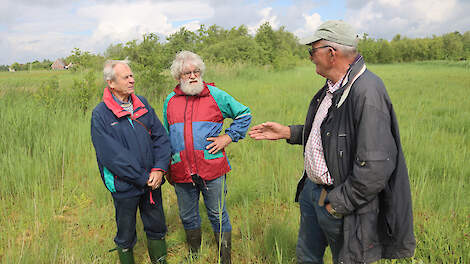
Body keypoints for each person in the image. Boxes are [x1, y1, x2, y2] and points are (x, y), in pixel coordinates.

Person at [249, 20, 415, 264]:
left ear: (331, 53)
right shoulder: (333, 88)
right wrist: (288, 132)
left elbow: (376, 166)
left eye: (312, 51)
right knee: (307, 257)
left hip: (338, 204)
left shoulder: (366, 91)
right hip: (312, 193)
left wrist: (337, 203)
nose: (310, 57)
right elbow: (329, 134)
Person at [163, 50, 251, 264]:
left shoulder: (216, 95)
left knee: (217, 214)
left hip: (211, 168)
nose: (193, 76)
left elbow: (244, 114)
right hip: (181, 169)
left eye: (196, 71)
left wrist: (227, 138)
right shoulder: (170, 100)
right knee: (188, 216)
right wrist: (167, 166)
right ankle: (194, 255)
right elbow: (166, 135)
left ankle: (225, 259)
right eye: (187, 73)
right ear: (178, 77)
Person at [91, 60, 171, 264]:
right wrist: (143, 177)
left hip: (153, 180)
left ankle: (159, 260)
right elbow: (112, 156)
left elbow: (161, 138)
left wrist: (160, 169)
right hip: (124, 185)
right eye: (126, 77)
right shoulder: (100, 114)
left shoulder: (142, 104)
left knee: (156, 225)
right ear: (111, 83)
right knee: (126, 231)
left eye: (132, 76)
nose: (132, 80)